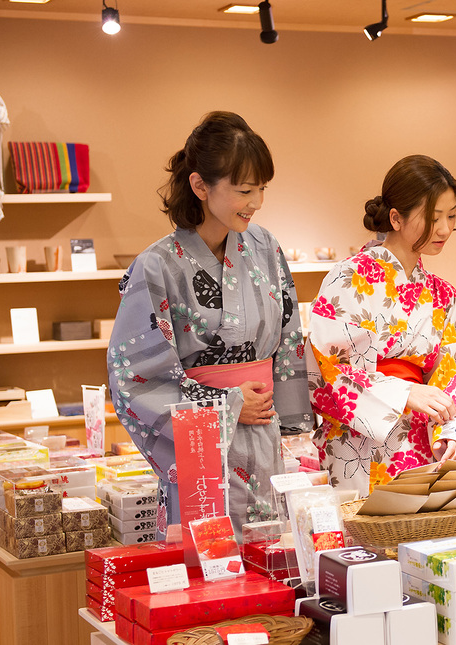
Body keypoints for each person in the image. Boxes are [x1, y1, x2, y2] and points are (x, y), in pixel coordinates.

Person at [107, 111, 312, 536]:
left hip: (265, 433)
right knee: (210, 565)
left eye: (261, 189)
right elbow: (137, 377)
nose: (256, 202)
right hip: (203, 444)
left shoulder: (265, 246)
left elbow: (289, 336)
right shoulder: (157, 266)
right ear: (200, 185)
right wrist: (229, 404)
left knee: (270, 564)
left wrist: (292, 426)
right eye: (244, 190)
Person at [308, 155, 456, 495]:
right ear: (396, 218)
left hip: (422, 445)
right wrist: (404, 391)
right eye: (433, 217)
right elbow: (328, 365)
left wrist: (450, 432)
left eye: (451, 217)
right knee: (363, 543)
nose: (444, 229)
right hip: (358, 445)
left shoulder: (442, 294)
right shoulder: (348, 278)